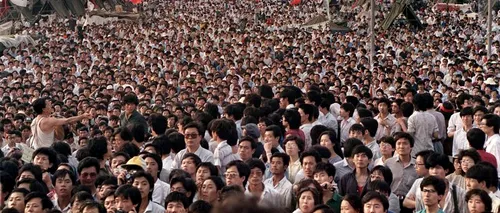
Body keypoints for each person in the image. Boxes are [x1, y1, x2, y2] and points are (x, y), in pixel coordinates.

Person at [384, 132, 417, 198]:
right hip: (391, 200)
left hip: (410, 201)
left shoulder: (417, 164)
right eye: (399, 143)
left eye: (405, 143)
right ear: (395, 147)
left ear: (411, 147)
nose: (401, 146)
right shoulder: (388, 163)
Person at [481, 114, 500, 179]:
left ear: (491, 126)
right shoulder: (488, 139)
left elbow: (497, 161)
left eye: (483, 124)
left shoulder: (496, 142)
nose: (481, 126)